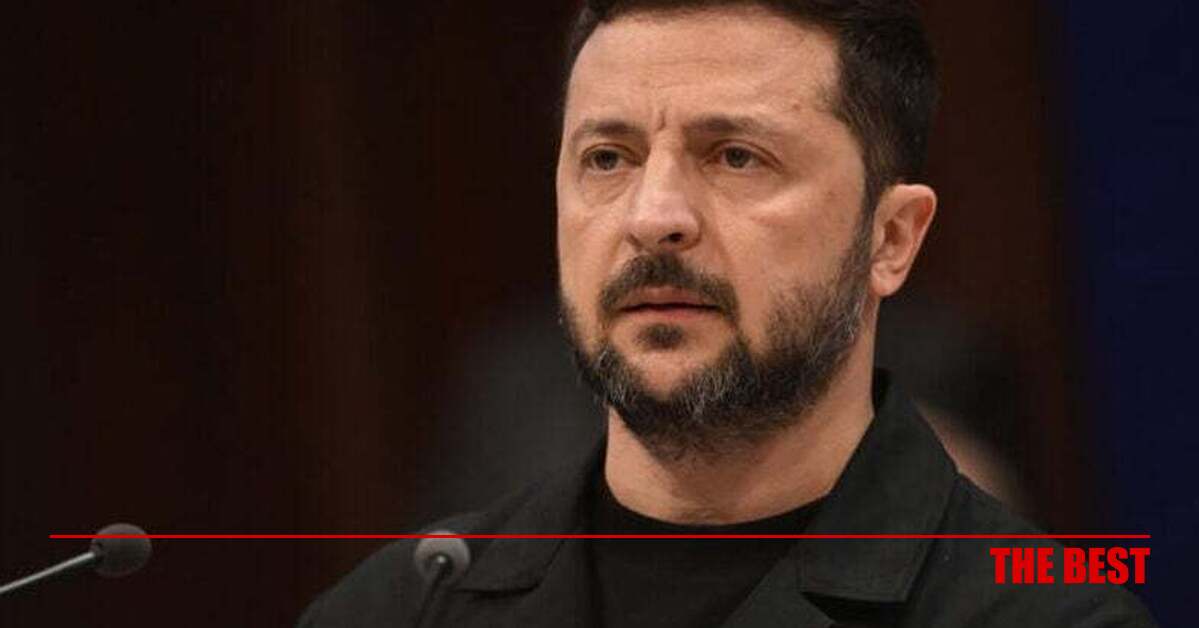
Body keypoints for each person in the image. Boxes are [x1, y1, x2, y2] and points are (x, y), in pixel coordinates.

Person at [299, 1, 1157, 626]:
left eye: (736, 157)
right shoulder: (394, 610)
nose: (652, 217)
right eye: (607, 158)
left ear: (890, 237)